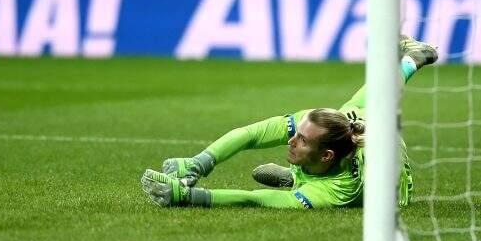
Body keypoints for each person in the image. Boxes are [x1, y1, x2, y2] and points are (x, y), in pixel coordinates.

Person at [141, 36, 438, 210]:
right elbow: (251, 134)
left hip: (390, 188)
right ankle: (413, 59)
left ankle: (295, 179)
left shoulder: (336, 189)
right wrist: (199, 163)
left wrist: (191, 196)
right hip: (358, 129)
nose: (292, 139)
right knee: (357, 106)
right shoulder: (321, 124)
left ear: (327, 156)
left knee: (378, 110)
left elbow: (257, 199)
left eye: (303, 141)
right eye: (298, 135)